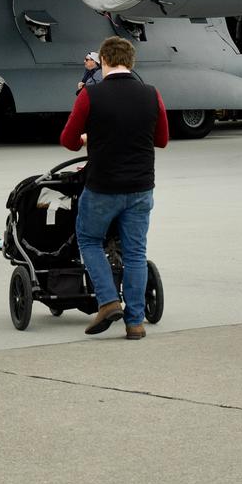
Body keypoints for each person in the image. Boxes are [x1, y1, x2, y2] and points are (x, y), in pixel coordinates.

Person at [57, 36, 169, 340]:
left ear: (103, 61)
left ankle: (107, 301)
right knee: (135, 253)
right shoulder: (151, 94)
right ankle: (135, 323)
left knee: (89, 240)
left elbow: (68, 140)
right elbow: (161, 139)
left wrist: (85, 139)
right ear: (131, 62)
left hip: (103, 186)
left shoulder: (90, 96)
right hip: (141, 186)